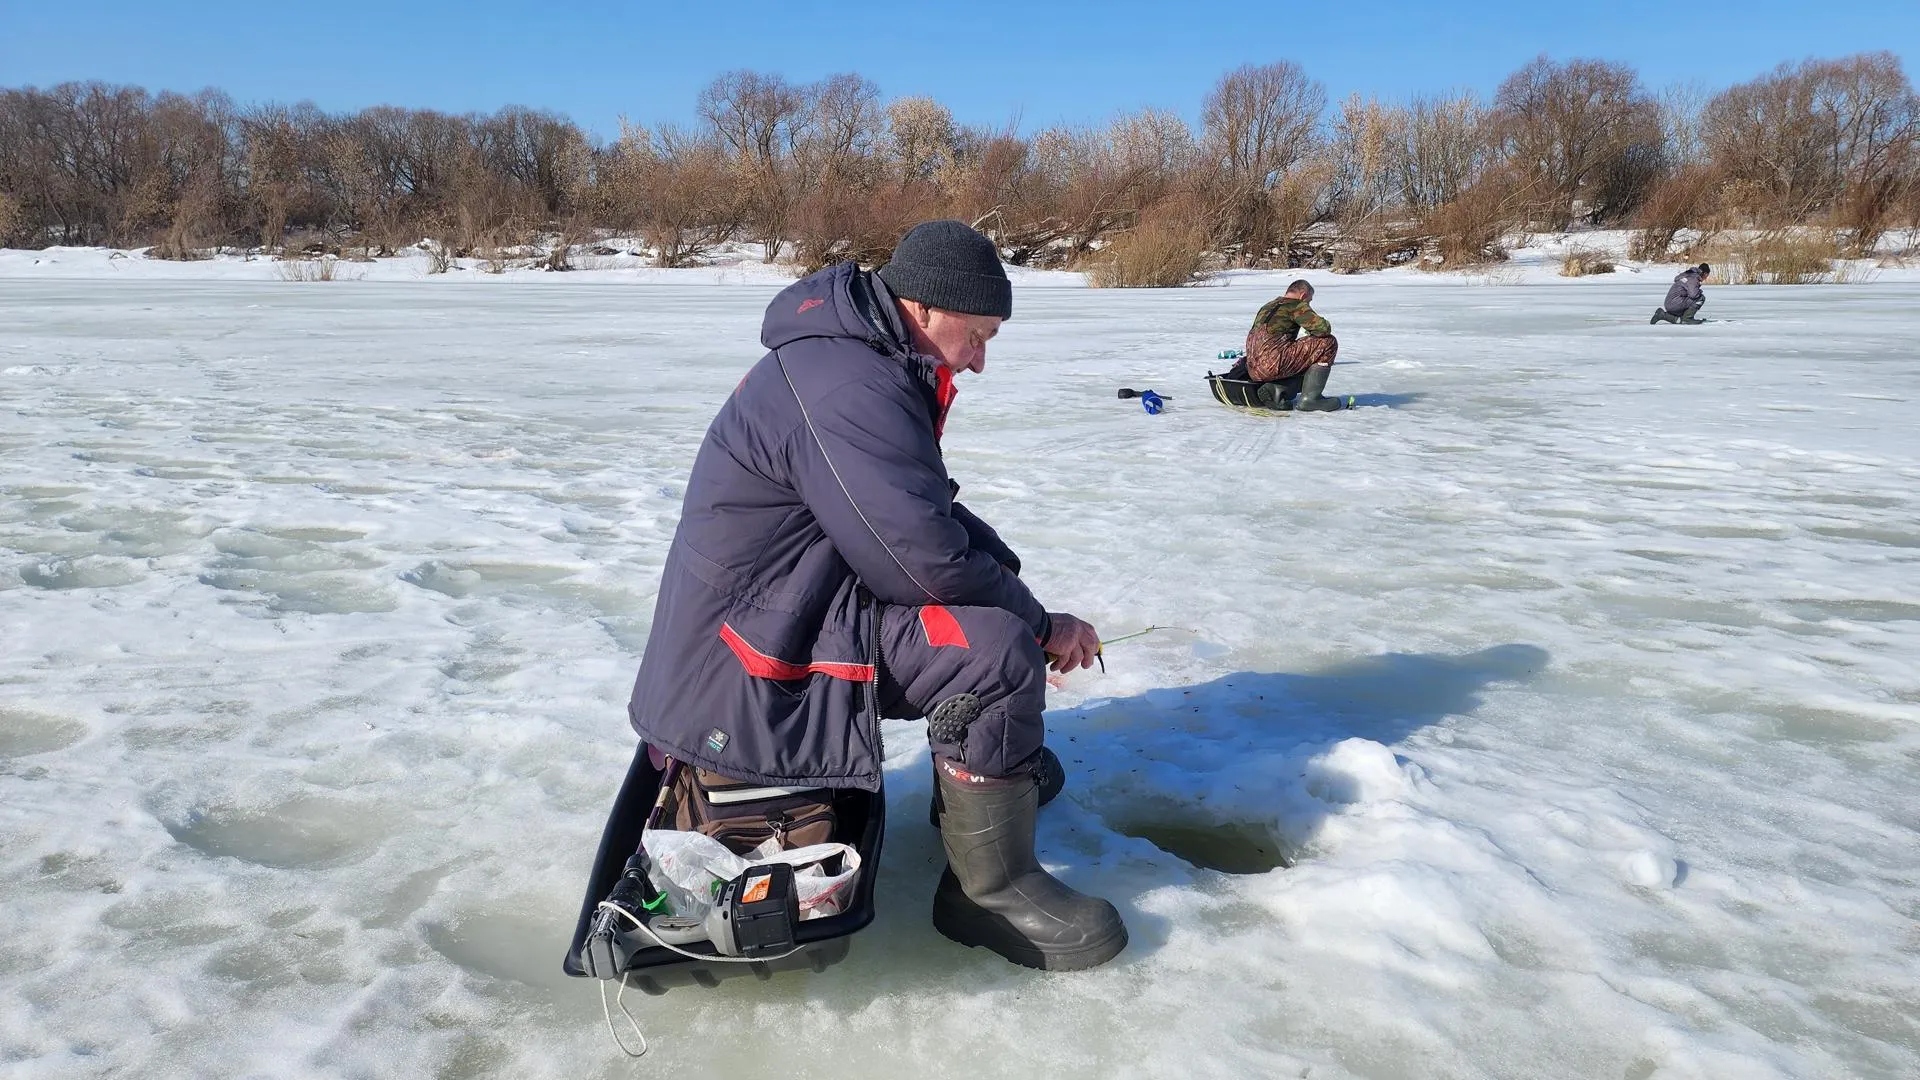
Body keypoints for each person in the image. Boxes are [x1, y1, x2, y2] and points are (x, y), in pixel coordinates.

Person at [623, 220, 1127, 971]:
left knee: (996, 599)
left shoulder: (859, 355)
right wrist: (1041, 623)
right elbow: (919, 563)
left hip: (788, 608)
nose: (981, 361)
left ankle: (983, 786)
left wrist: (1012, 581)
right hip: (752, 660)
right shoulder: (850, 384)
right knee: (989, 653)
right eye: (978, 335)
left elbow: (916, 509)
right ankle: (989, 893)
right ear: (922, 309)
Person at [1240, 278, 1344, 411]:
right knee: (1328, 342)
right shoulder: (1295, 305)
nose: (1308, 303)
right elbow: (1323, 328)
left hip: (1253, 369)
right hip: (1273, 364)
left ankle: (1276, 389)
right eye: (1309, 300)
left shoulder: (1268, 306)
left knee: (1303, 354)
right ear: (1303, 295)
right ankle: (1311, 399)